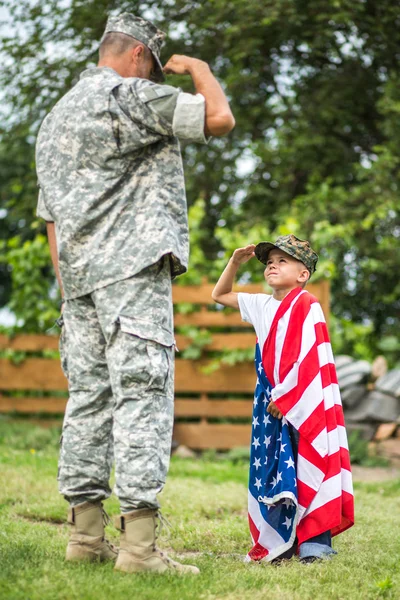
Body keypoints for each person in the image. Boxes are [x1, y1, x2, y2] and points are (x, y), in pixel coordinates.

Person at [35, 12, 235, 575]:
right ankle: (140, 551)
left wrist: (70, 287)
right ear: (141, 56)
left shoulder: (55, 118)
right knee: (142, 398)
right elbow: (219, 118)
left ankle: (84, 539)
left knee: (88, 402)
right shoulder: (131, 96)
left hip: (77, 284)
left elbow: (50, 216)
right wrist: (196, 66)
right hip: (131, 273)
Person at [212, 235, 354, 563]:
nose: (273, 265)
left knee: (309, 461)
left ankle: (316, 543)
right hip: (270, 403)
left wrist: (289, 398)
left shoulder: (308, 306)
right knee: (278, 467)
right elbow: (219, 295)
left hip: (303, 400)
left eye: (283, 261)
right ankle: (284, 539)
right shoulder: (262, 305)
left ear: (303, 274)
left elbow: (311, 357)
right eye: (269, 262)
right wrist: (234, 263)